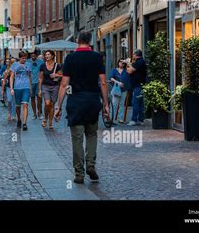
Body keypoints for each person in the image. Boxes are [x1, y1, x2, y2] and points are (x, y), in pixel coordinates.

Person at [55, 32, 109, 184]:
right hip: (92, 101)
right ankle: (90, 164)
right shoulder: (97, 57)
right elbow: (103, 83)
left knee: (77, 139)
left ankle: (79, 173)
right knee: (92, 135)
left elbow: (64, 84)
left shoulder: (70, 58)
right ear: (90, 41)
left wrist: (59, 106)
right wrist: (106, 104)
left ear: (78, 41)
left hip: (76, 102)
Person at [38, 50, 63, 129]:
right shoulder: (42, 66)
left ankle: (50, 123)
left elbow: (62, 75)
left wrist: (56, 75)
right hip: (45, 86)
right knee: (47, 103)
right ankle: (45, 118)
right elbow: (40, 78)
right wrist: (39, 89)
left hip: (55, 87)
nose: (47, 56)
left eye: (48, 54)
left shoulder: (57, 65)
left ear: (52, 56)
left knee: (52, 105)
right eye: (46, 55)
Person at [10, 51, 32, 131]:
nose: (24, 60)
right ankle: (19, 119)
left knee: (25, 105)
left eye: (25, 58)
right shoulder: (14, 65)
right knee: (18, 106)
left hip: (26, 87)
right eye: (23, 58)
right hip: (17, 87)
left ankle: (24, 123)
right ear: (19, 58)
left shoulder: (28, 65)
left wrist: (30, 88)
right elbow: (12, 77)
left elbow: (29, 77)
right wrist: (11, 88)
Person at [126, 49, 147, 126]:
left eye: (133, 54)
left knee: (135, 103)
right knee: (141, 103)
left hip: (137, 86)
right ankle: (141, 120)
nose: (133, 56)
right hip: (140, 85)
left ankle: (134, 120)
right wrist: (130, 67)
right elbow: (129, 70)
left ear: (136, 55)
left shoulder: (139, 62)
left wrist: (128, 63)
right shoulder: (140, 62)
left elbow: (130, 71)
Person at [109, 59, 130, 124]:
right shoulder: (115, 70)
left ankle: (120, 119)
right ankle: (111, 118)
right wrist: (118, 82)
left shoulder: (126, 70)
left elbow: (130, 71)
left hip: (124, 89)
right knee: (114, 104)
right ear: (118, 63)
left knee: (121, 104)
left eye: (123, 62)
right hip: (117, 89)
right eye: (120, 61)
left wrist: (127, 62)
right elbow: (111, 78)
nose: (121, 63)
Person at [27, 51, 44, 119]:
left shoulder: (41, 62)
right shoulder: (28, 62)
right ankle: (34, 114)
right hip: (30, 83)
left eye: (34, 55)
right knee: (32, 98)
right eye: (32, 55)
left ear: (36, 56)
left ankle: (39, 113)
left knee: (39, 98)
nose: (33, 57)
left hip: (38, 82)